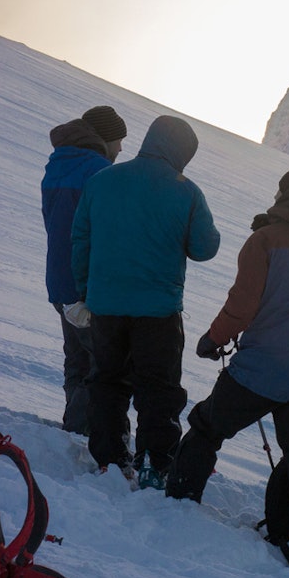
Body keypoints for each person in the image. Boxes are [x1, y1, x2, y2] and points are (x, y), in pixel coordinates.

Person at [166, 169, 289, 561]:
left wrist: (214, 338)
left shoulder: (264, 240)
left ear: (283, 195)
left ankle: (178, 501)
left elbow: (243, 304)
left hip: (261, 369)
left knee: (207, 427)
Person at [71, 115, 219, 487]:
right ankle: (156, 461)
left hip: (106, 305)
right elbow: (205, 248)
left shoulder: (101, 180)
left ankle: (110, 459)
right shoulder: (186, 191)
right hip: (158, 311)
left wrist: (86, 291)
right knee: (159, 388)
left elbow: (81, 239)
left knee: (107, 381)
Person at [41, 106, 127, 434]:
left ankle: (74, 429)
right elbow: (108, 235)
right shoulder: (100, 172)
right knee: (103, 364)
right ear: (104, 138)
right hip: (87, 285)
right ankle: (81, 432)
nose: (121, 148)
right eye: (118, 140)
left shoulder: (57, 164)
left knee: (77, 358)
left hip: (59, 281)